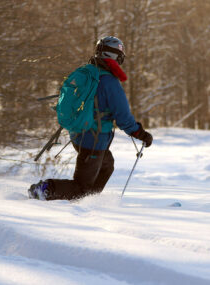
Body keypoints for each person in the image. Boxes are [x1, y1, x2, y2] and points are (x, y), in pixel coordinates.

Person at [28, 36, 153, 201]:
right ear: (115, 56)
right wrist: (139, 133)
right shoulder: (109, 81)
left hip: (80, 134)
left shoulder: (89, 72)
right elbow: (122, 116)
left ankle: (89, 202)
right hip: (93, 139)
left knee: (106, 166)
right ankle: (45, 189)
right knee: (81, 187)